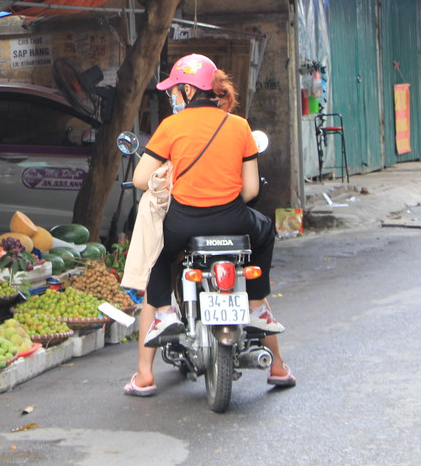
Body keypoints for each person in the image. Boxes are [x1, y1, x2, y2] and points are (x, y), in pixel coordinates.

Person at [123, 54, 294, 397]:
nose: (173, 97)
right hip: (234, 220)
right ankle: (263, 323)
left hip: (184, 224)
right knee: (264, 232)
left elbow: (141, 179)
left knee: (156, 254)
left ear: (188, 90)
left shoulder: (171, 127)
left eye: (175, 90)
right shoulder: (240, 126)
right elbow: (251, 190)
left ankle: (155, 347)